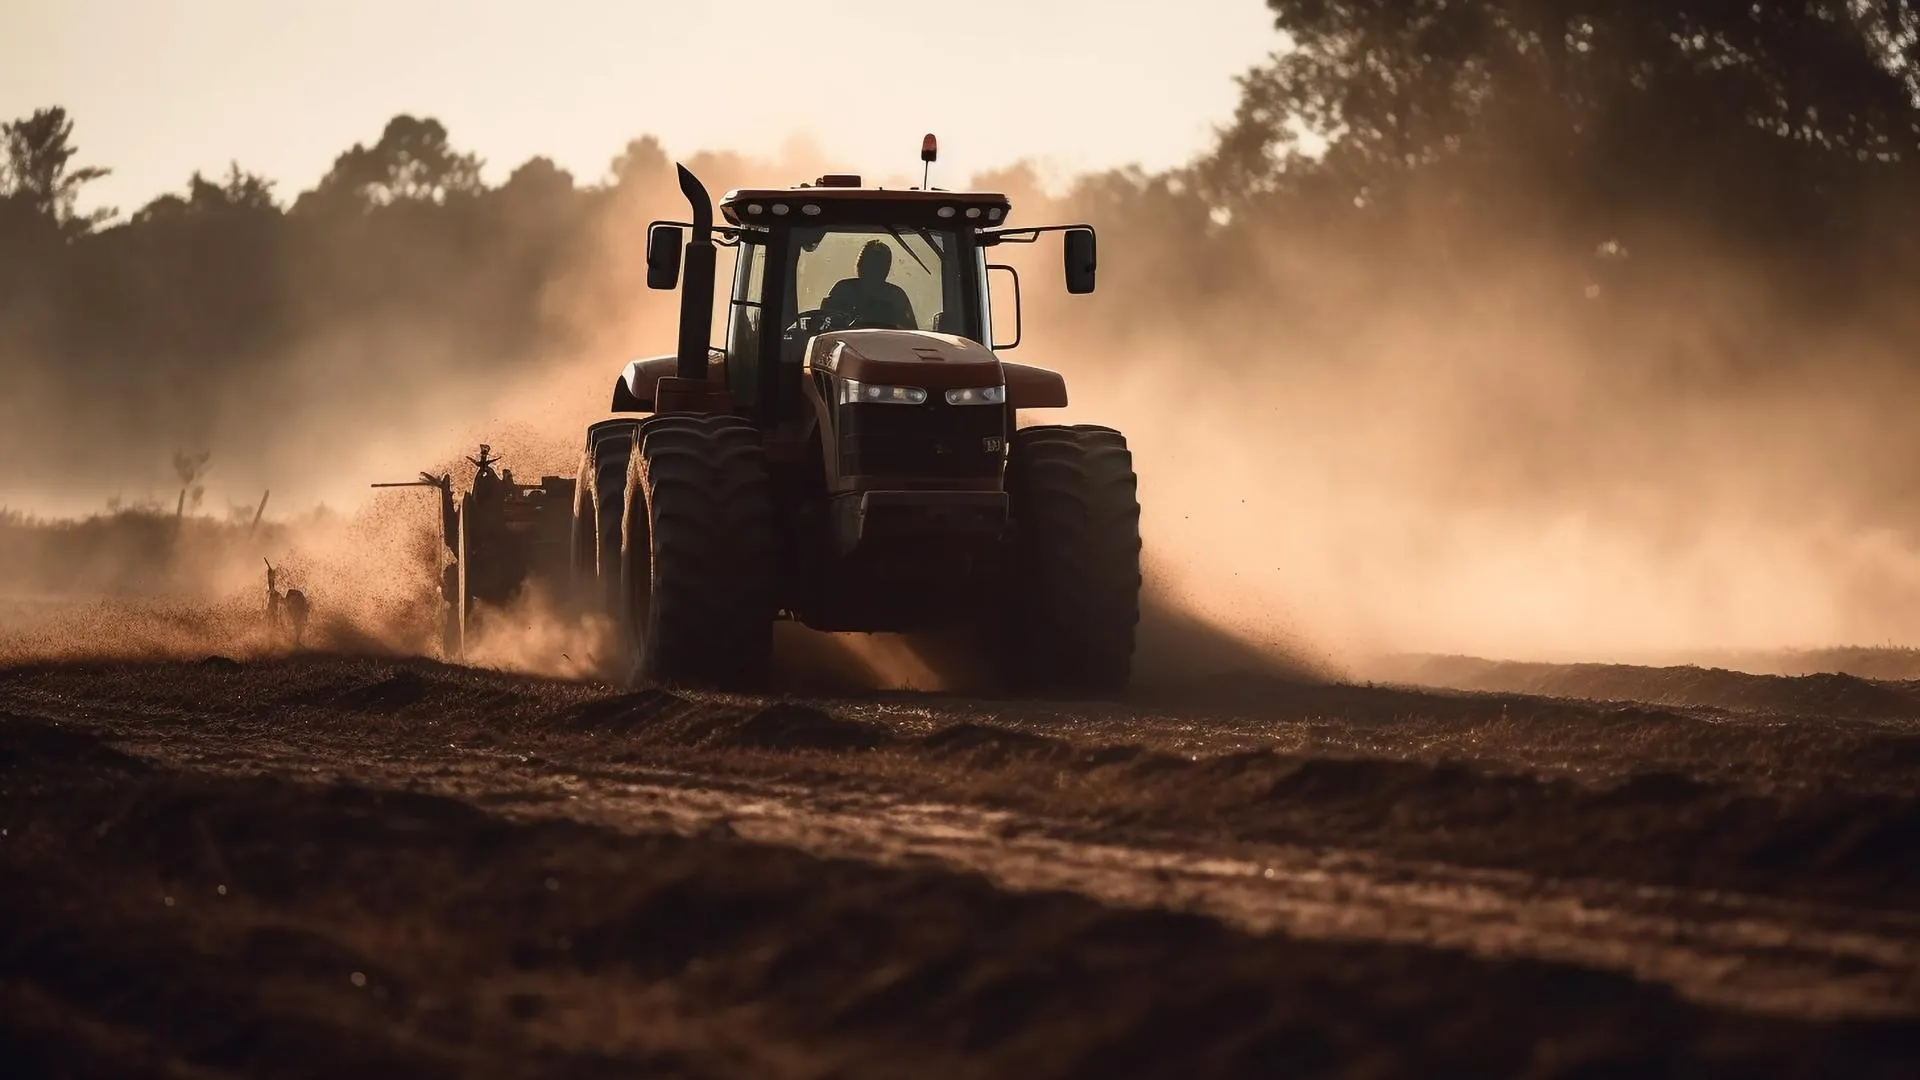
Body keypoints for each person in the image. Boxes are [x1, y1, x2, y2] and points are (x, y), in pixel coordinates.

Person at [822, 240, 918, 329]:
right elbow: (823, 324)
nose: (871, 271)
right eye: (867, 264)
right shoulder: (843, 290)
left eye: (876, 266)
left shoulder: (896, 296)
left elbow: (911, 334)